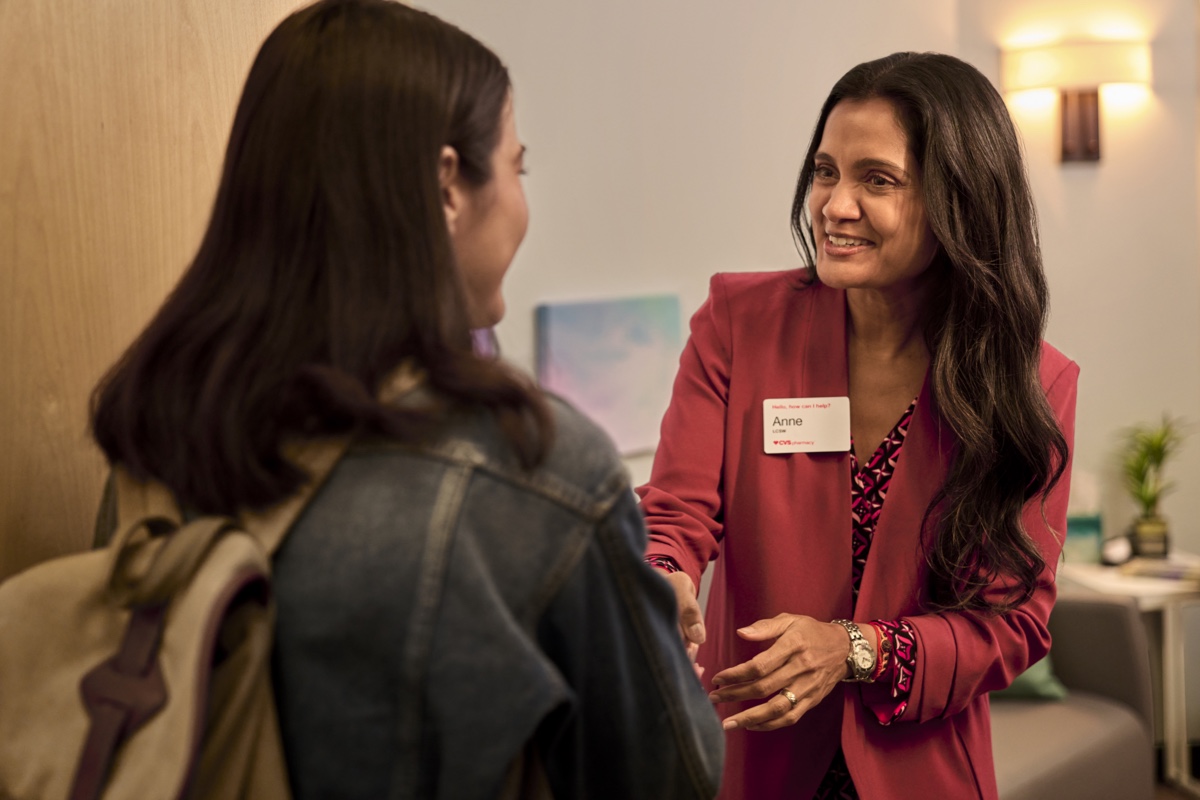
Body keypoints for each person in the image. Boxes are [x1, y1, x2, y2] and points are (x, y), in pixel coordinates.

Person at [88, 1, 723, 797]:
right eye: (518, 167)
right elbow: (669, 777)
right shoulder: (536, 467)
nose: (523, 201)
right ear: (449, 185)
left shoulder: (157, 431)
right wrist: (660, 655)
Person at [639, 52, 1077, 800]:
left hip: (921, 772)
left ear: (959, 198)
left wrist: (852, 650)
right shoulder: (737, 325)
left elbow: (1011, 623)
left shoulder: (1030, 382)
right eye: (824, 171)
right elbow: (675, 512)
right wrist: (666, 577)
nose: (835, 206)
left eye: (878, 180)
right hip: (756, 758)